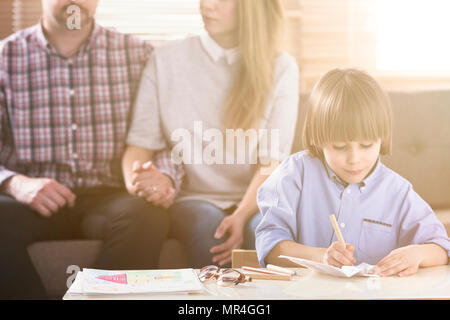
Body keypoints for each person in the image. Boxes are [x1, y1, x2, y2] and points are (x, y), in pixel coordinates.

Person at [0, 0, 182, 299]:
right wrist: (16, 183)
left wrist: (164, 177)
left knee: (146, 215)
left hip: (110, 198)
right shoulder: (6, 58)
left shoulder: (137, 54)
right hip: (34, 200)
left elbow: (167, 136)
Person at [123, 0, 299, 268]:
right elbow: (139, 147)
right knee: (209, 228)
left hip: (254, 197)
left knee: (263, 232)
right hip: (192, 199)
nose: (207, 5)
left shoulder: (281, 67)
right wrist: (139, 182)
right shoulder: (166, 59)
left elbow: (271, 164)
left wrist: (240, 216)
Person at [255, 68, 450, 276]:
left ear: (382, 139)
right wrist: (321, 257)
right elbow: (270, 245)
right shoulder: (294, 174)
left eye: (366, 145)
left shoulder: (397, 192)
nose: (354, 159)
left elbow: (441, 248)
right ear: (318, 139)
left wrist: (416, 254)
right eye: (339, 147)